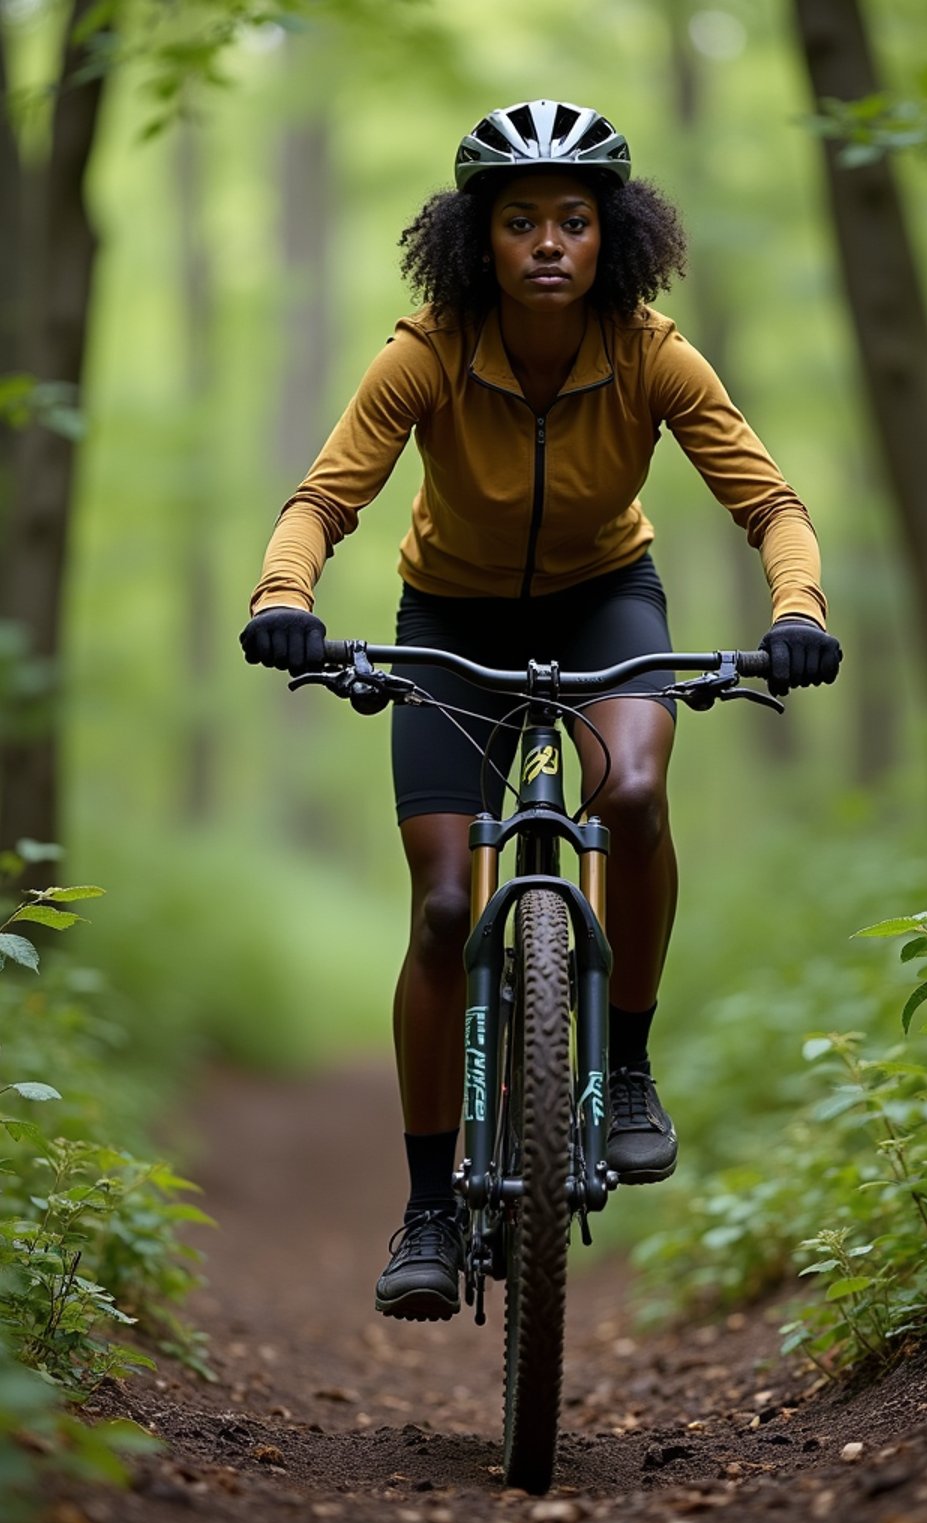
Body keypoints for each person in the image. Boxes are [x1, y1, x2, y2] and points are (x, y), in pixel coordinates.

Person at [240, 99, 841, 1323]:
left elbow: (771, 504)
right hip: (450, 620)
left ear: (614, 236)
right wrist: (284, 593)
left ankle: (622, 1072)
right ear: (480, 240)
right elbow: (322, 497)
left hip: (604, 602)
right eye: (523, 223)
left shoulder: (653, 351)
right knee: (444, 905)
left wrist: (797, 611)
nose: (551, 242)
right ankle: (425, 1207)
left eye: (574, 219)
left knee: (630, 786)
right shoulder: (427, 350)